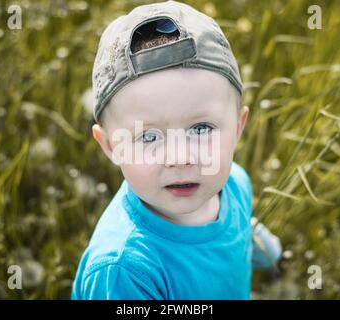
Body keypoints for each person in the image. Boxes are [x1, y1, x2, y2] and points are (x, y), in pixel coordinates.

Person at [72, 0, 281, 300]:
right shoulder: (124, 270)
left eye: (201, 129)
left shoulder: (234, 182)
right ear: (110, 146)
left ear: (238, 128)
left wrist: (270, 253)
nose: (179, 158)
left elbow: (242, 225)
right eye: (148, 137)